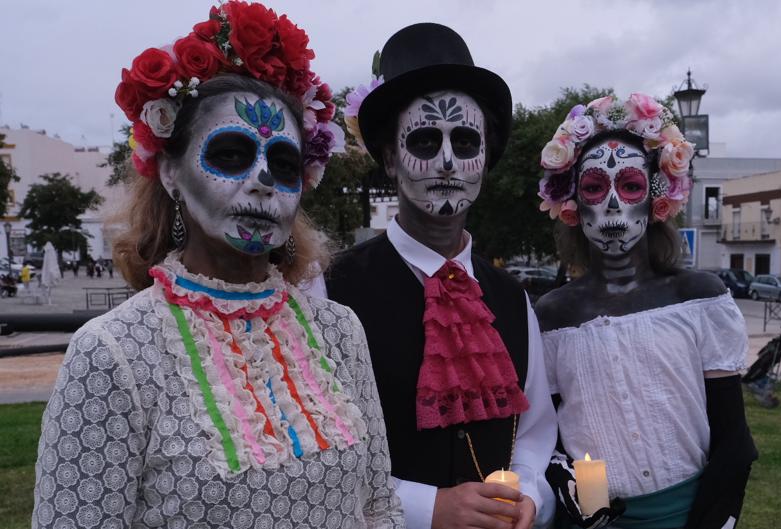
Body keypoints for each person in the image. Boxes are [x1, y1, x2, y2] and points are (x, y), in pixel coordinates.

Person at [32, 4, 403, 528]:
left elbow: (380, 506)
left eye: (283, 163)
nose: (262, 180)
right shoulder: (113, 353)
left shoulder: (340, 332)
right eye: (231, 154)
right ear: (170, 174)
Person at [327, 23, 556, 529]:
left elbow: (536, 429)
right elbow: (323, 450)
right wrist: (426, 508)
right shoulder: (330, 292)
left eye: (466, 140)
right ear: (390, 158)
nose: (449, 161)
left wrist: (529, 496)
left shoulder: (512, 300)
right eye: (426, 140)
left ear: (485, 162)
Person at [534, 93, 756, 529]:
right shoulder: (553, 315)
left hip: (695, 514)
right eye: (596, 187)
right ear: (574, 202)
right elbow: (549, 437)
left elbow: (733, 438)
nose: (613, 204)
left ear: (655, 198)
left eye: (630, 185)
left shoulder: (697, 299)